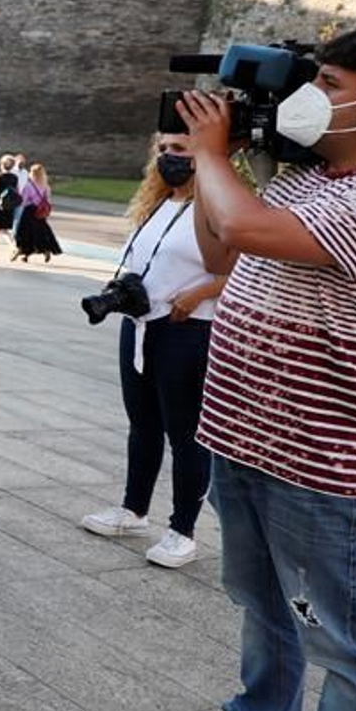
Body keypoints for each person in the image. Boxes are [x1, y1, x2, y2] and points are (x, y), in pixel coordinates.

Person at [158, 27, 356, 711]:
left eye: (331, 83)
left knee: (344, 638)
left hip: (321, 467)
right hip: (243, 439)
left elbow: (242, 226)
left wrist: (213, 155)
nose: (311, 96)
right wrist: (222, 163)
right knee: (262, 602)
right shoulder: (306, 181)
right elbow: (222, 250)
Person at [80, 133, 228, 568]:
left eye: (179, 149)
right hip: (141, 325)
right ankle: (133, 510)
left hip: (188, 330)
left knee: (186, 435)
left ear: (204, 154)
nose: (168, 158)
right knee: (142, 424)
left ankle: (182, 531)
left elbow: (245, 266)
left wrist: (199, 293)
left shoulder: (218, 206)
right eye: (162, 150)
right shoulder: (158, 203)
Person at [10, 163, 62, 262]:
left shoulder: (29, 186)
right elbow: (48, 199)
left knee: (24, 233)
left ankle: (21, 250)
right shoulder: (46, 186)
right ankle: (45, 250)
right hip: (40, 213)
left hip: (29, 211)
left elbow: (23, 200)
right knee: (40, 233)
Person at [0, 155, 20, 259]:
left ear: (1, 164)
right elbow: (17, 192)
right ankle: (13, 246)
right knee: (5, 229)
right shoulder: (15, 178)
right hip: (9, 206)